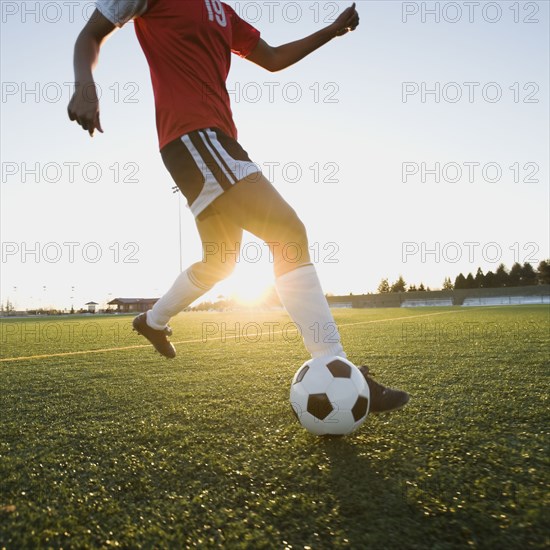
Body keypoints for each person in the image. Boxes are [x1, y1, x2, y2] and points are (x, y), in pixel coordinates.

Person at [68, 0, 409, 413]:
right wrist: (85, 86)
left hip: (215, 140)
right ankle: (334, 362)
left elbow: (272, 58)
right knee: (288, 231)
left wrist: (331, 30)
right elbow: (90, 34)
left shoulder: (222, 11)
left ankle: (152, 321)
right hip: (193, 136)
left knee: (221, 259)